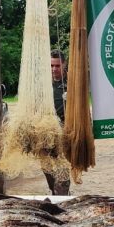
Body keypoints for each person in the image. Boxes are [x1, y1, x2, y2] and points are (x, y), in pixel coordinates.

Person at [45, 50, 71, 195]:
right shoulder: (43, 83)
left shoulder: (72, 82)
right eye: (51, 66)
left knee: (62, 173)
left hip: (65, 136)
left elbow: (82, 109)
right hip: (45, 135)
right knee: (48, 171)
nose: (54, 69)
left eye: (57, 66)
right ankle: (56, 193)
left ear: (64, 64)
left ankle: (62, 197)